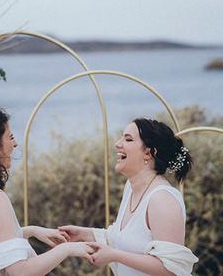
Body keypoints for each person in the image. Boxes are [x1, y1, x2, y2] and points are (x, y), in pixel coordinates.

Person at [0, 106, 93, 276]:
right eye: (10, 137)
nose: (15, 143)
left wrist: (31, 231)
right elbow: (20, 272)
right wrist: (67, 249)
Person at [59, 118, 198, 276]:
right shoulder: (131, 188)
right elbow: (124, 240)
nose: (117, 144)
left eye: (128, 139)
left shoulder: (162, 199)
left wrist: (114, 255)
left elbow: (171, 269)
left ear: (149, 152)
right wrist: (83, 234)